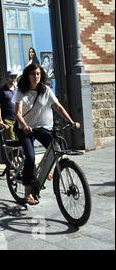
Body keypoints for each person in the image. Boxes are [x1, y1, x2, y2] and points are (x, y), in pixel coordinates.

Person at [14, 63, 80, 205]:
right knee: (30, 157)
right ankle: (27, 193)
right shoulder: (21, 91)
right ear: (27, 76)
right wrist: (24, 125)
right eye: (33, 74)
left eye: (38, 74)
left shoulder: (46, 90)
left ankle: (48, 171)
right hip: (24, 129)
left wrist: (72, 121)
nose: (36, 76)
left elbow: (58, 107)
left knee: (57, 147)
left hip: (42, 127)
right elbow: (17, 113)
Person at [0, 70, 19, 141]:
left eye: (14, 77)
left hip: (18, 119)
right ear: (6, 78)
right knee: (12, 142)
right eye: (11, 77)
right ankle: (13, 152)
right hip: (8, 120)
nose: (13, 79)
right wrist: (0, 120)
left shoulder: (17, 90)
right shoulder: (2, 91)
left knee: (20, 141)